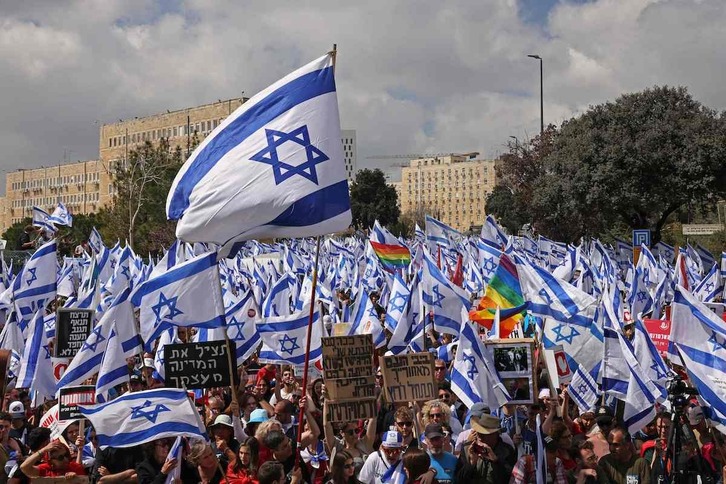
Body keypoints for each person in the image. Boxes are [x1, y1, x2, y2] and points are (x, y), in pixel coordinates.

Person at [455, 414, 516, 483]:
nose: (480, 437)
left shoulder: (507, 451)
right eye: (478, 433)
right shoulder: (467, 448)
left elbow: (508, 479)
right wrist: (471, 464)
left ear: (496, 434)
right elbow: (459, 480)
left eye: (484, 434)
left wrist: (495, 461)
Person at [20, 440, 86, 478]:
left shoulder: (75, 467)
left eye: (67, 455)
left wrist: (76, 477)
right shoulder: (45, 469)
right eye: (61, 457)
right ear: (51, 461)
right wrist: (43, 450)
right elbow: (24, 467)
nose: (66, 459)